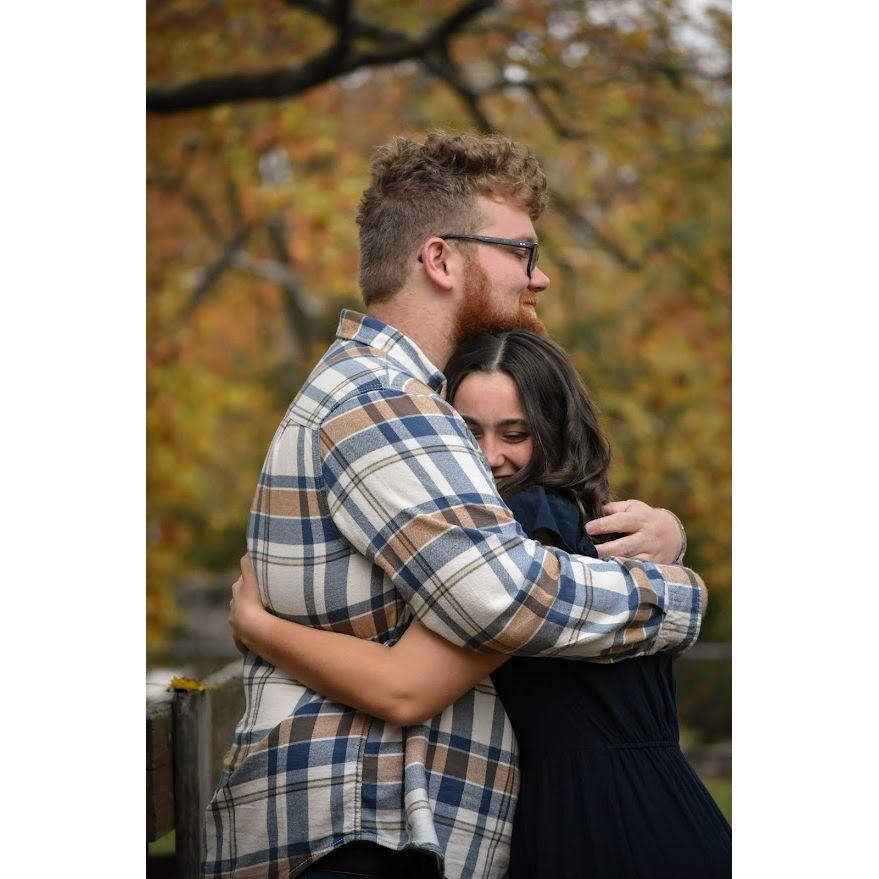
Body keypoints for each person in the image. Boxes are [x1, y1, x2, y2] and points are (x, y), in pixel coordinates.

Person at [201, 131, 707, 879]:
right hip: (361, 836)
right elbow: (500, 597)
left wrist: (666, 531)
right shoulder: (383, 400)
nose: (539, 277)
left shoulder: (389, 397)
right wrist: (676, 594)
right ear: (440, 259)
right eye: (521, 252)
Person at [229, 328, 731, 878]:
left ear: (556, 433)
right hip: (637, 805)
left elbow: (404, 687)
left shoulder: (531, 526)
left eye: (516, 434)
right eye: (468, 432)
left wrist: (259, 626)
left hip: (608, 821)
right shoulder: (580, 519)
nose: (491, 457)